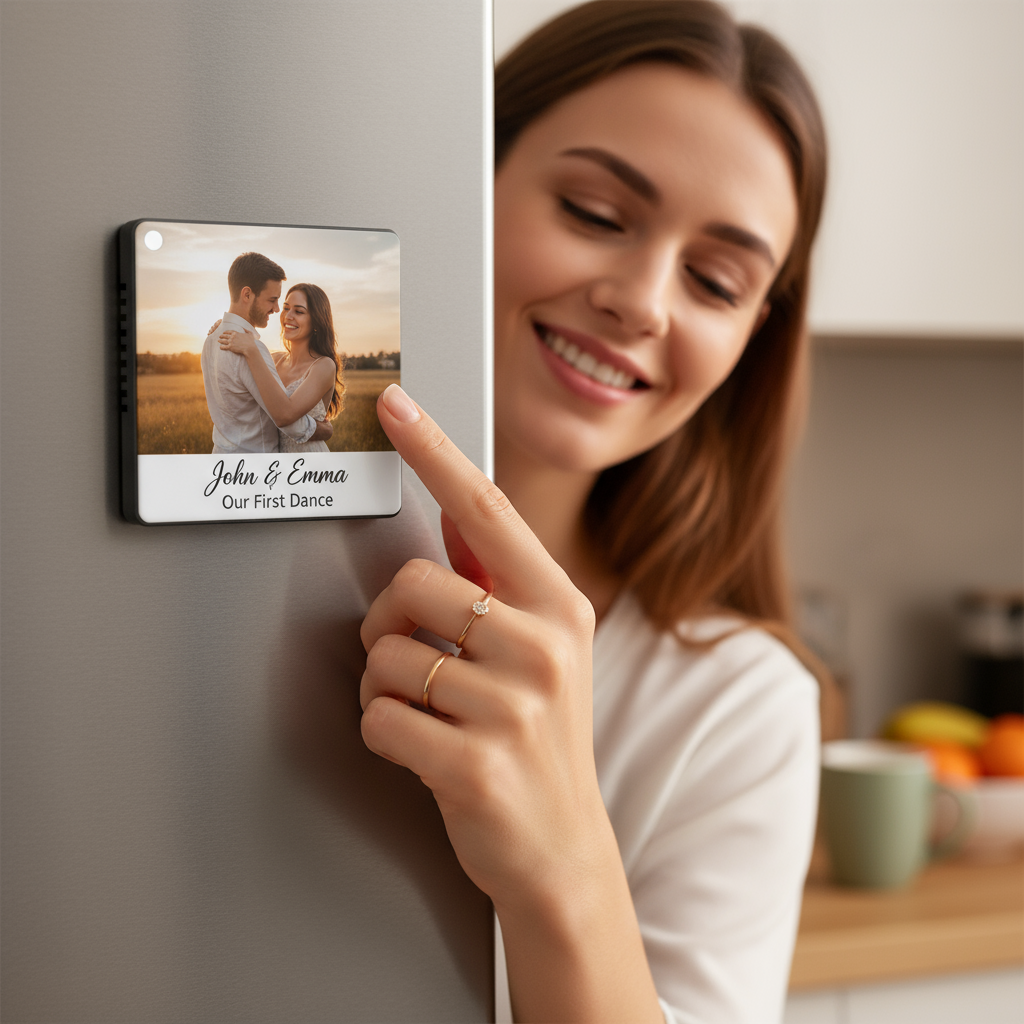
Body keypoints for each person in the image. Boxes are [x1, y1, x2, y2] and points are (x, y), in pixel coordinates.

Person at [358, 2, 828, 1021]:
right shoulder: (247, 572)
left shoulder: (737, 709)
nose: (644, 300)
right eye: (596, 213)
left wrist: (563, 867)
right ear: (464, 169)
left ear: (753, 338)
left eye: (714, 279)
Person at [200, 252, 333, 453]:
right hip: (257, 465)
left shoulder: (212, 340)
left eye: (298, 311)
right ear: (247, 294)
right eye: (275, 301)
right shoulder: (256, 351)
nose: (279, 311)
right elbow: (283, 416)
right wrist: (324, 430)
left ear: (316, 320)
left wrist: (226, 325)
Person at [216, 282, 345, 454]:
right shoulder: (274, 359)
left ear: (316, 321)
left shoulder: (323, 365)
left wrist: (251, 350)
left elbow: (285, 415)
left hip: (309, 464)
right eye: (286, 308)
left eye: (299, 311)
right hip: (274, 462)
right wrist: (226, 326)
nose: (288, 316)